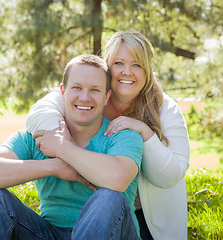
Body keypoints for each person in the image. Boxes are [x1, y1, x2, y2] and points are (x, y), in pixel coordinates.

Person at [26, 30, 190, 240]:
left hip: (146, 217)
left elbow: (170, 176)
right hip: (90, 209)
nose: (127, 72)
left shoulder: (165, 109)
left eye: (137, 65)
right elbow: (39, 113)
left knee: (110, 200)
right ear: (107, 67)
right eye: (118, 63)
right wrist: (65, 147)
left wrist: (145, 132)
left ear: (147, 70)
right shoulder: (90, 95)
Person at [0, 54, 144, 240]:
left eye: (95, 90)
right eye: (77, 88)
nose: (84, 97)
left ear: (107, 97)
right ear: (63, 91)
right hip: (48, 233)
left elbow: (118, 178)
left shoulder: (122, 135)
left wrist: (63, 149)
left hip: (111, 233)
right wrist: (55, 167)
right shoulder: (39, 136)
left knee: (109, 198)